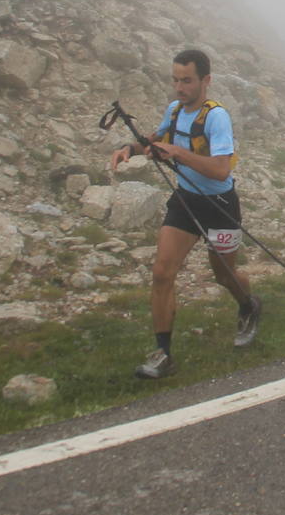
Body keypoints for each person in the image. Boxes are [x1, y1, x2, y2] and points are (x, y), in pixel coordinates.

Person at [109, 49, 260, 379]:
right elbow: (158, 138)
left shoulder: (217, 117)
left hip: (220, 206)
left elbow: (221, 170)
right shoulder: (175, 111)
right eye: (176, 80)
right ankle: (163, 354)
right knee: (163, 272)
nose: (180, 87)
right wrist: (131, 148)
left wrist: (177, 152)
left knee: (224, 275)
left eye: (187, 80)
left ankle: (249, 305)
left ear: (206, 80)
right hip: (186, 202)